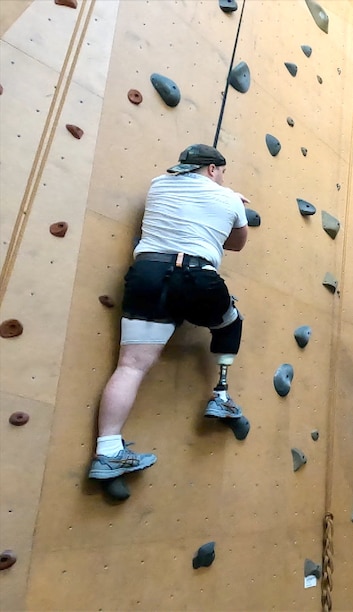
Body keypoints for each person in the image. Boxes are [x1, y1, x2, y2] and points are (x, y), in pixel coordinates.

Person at [88, 144, 251, 480]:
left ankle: (107, 451)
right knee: (230, 322)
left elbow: (187, 201)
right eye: (221, 171)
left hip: (148, 273)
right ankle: (220, 396)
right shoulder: (229, 199)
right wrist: (232, 199)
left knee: (130, 366)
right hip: (196, 276)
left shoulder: (157, 184)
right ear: (212, 169)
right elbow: (235, 244)